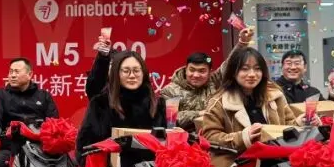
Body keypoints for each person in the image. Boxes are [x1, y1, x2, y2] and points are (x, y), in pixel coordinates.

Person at [76, 51, 166, 167]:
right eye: (126, 71)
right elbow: (84, 145)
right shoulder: (101, 103)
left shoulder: (158, 104)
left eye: (136, 70)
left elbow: (167, 142)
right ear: (116, 74)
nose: (132, 75)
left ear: (144, 73)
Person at [86, 27, 254, 103]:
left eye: (202, 71)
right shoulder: (170, 91)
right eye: (192, 70)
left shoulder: (148, 98)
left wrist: (242, 43)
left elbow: (229, 65)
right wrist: (204, 115)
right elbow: (174, 120)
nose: (196, 75)